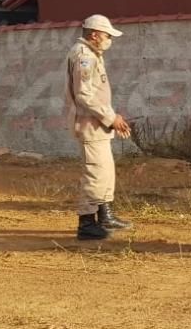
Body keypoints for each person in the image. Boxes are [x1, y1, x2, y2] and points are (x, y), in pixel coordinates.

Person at [65, 14, 133, 240]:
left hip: (97, 124)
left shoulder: (92, 54)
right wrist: (110, 117)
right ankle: (86, 223)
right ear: (94, 35)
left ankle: (105, 215)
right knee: (94, 173)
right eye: (107, 35)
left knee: (104, 171)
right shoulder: (84, 56)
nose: (109, 40)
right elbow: (84, 95)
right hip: (90, 124)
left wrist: (111, 117)